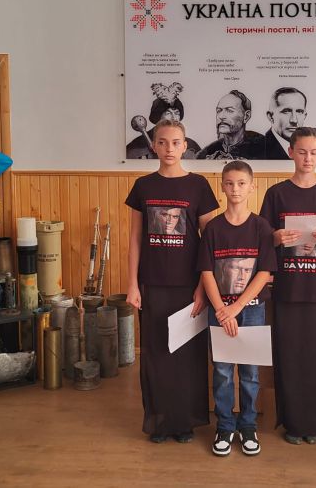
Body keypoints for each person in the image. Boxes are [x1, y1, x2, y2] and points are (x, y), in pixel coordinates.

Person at [124, 119, 219, 444]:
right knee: (156, 354)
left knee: (187, 356)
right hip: (152, 284)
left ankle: (185, 422)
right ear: (154, 146)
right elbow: (135, 239)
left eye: (176, 142)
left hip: (188, 286)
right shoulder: (143, 186)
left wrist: (203, 288)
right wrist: (133, 284)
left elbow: (209, 242)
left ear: (185, 146)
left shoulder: (198, 186)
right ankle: (159, 421)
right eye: (162, 142)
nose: (169, 148)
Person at [260, 126, 316, 444]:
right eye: (301, 152)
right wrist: (276, 237)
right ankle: (293, 422)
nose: (308, 158)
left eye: (313, 152)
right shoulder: (276, 194)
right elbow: (264, 240)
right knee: (290, 356)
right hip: (288, 289)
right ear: (291, 153)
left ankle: (315, 422)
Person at [198, 160, 276, 457]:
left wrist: (237, 307)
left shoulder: (261, 227)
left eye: (242, 183)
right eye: (229, 183)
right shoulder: (213, 228)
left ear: (252, 187)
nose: (235, 189)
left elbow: (265, 273)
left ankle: (248, 425)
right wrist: (222, 309)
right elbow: (206, 272)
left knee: (250, 372)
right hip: (219, 311)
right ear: (222, 187)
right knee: (222, 371)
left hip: (252, 309)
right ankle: (225, 426)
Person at [127, 90, 202, 159]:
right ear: (158, 117)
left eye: (176, 113)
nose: (174, 117)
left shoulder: (192, 146)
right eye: (168, 113)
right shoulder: (136, 146)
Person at [198, 90, 263, 160]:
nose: (221, 116)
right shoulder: (206, 153)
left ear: (246, 116)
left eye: (229, 110)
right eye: (219, 111)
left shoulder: (263, 149)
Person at [251, 87, 307, 160]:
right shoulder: (255, 150)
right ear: (271, 116)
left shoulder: (310, 148)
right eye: (286, 111)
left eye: (299, 111)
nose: (294, 120)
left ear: (305, 116)